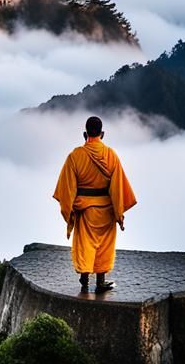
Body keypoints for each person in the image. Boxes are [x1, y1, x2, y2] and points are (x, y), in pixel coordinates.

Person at [52, 116, 136, 292]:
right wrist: (119, 212)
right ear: (102, 134)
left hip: (84, 209)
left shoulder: (75, 156)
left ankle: (84, 277)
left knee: (85, 244)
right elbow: (119, 186)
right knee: (104, 246)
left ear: (85, 134)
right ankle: (100, 282)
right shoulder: (111, 155)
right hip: (106, 209)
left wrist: (71, 208)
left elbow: (66, 187)